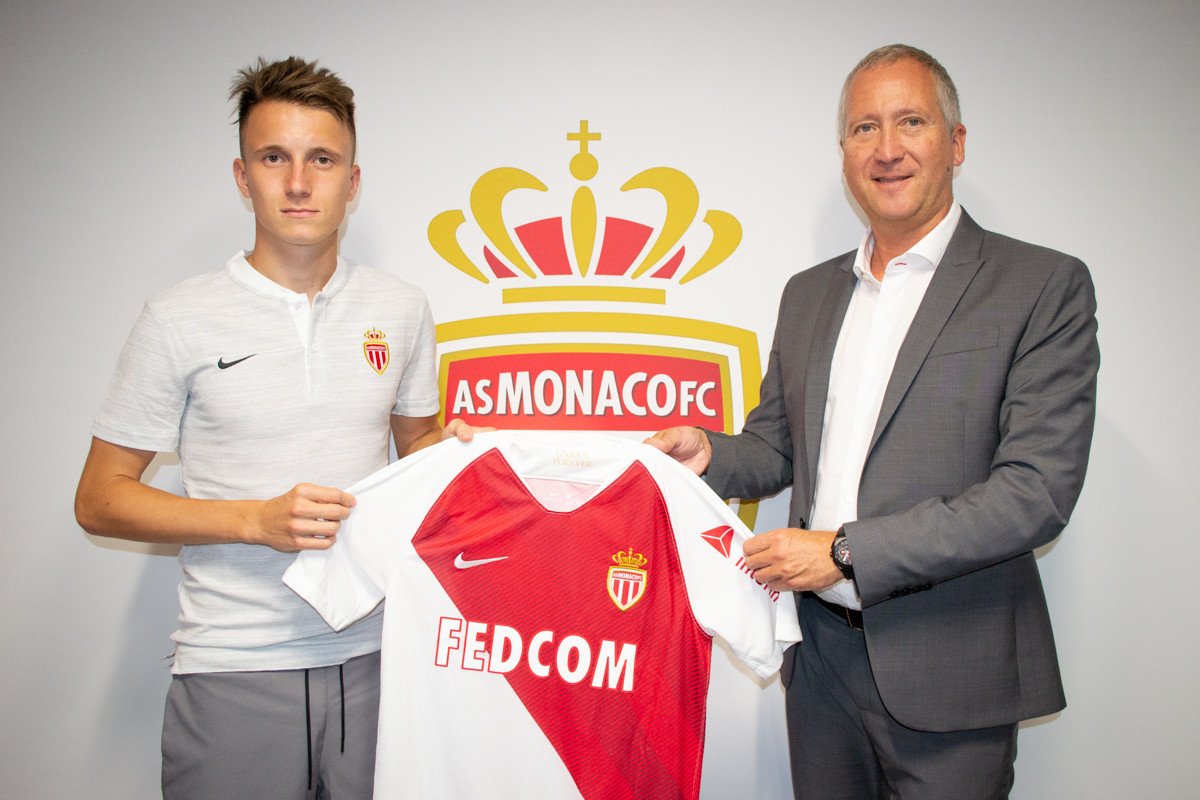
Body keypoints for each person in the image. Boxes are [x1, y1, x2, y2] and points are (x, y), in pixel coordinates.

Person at [647, 43, 1098, 799]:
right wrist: (708, 455)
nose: (886, 149)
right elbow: (775, 448)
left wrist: (845, 553)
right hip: (820, 666)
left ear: (956, 142)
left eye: (910, 122)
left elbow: (1035, 494)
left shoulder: (1040, 285)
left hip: (952, 666)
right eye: (864, 128)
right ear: (844, 152)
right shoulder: (808, 294)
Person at [74, 56, 475, 799]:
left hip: (378, 659)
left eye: (321, 159)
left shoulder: (402, 307)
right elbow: (99, 499)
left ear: (352, 180)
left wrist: (446, 457)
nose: (297, 182)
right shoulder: (177, 318)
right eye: (273, 158)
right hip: (233, 667)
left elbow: (415, 447)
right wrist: (255, 520)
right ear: (242, 176)